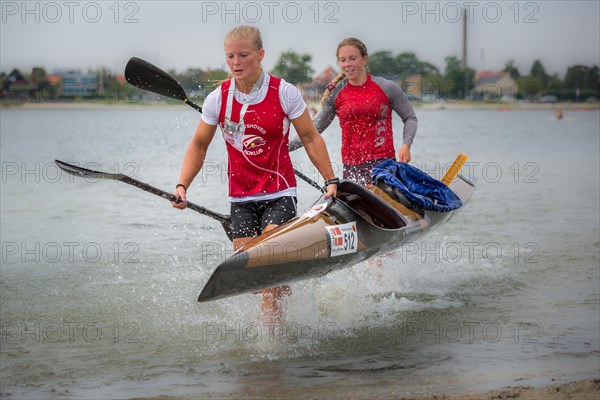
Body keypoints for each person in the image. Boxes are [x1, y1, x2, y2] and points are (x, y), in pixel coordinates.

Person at [171, 26, 338, 325]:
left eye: (243, 55)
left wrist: (330, 180)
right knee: (255, 279)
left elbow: (311, 138)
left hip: (280, 192)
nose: (236, 62)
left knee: (267, 269)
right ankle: (281, 301)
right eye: (230, 56)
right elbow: (199, 145)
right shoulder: (218, 99)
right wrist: (183, 186)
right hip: (241, 198)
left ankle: (271, 345)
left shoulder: (284, 92)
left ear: (260, 55)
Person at [290, 37, 418, 186]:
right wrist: (282, 148)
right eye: (343, 60)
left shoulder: (387, 87)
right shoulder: (336, 94)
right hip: (352, 169)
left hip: (383, 166)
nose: (348, 64)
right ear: (338, 63)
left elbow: (410, 118)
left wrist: (406, 145)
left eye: (353, 58)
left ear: (364, 59)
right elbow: (312, 130)